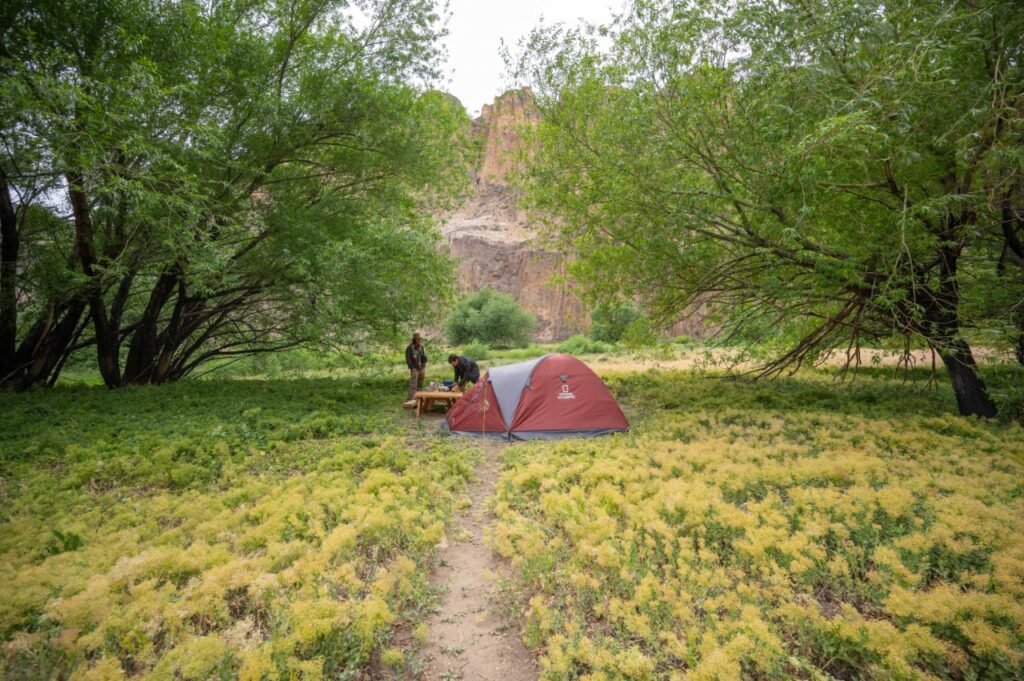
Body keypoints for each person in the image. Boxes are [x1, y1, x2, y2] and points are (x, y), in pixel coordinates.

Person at [405, 333, 427, 405]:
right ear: (414, 339)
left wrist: (424, 362)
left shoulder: (421, 347)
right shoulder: (409, 348)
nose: (418, 340)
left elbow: (423, 356)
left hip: (421, 367)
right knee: (413, 384)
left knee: (420, 384)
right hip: (414, 367)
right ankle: (410, 399)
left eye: (419, 339)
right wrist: (411, 367)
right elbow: (408, 359)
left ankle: (419, 399)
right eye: (417, 339)